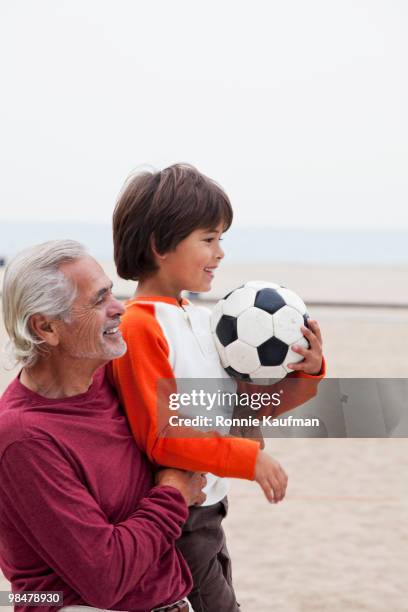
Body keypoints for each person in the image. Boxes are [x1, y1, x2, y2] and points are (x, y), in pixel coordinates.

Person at [111, 164, 325, 611]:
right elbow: (162, 434)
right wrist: (250, 460)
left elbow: (245, 411)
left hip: (210, 510)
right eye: (208, 239)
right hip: (179, 519)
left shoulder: (205, 319)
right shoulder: (138, 326)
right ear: (159, 245)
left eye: (221, 239)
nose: (220, 252)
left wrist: (308, 372)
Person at [0, 240, 207, 612]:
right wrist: (175, 491)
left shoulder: (113, 377)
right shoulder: (22, 439)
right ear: (45, 327)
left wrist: (300, 378)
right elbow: (106, 576)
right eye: (98, 301)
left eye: (111, 292)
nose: (119, 308)